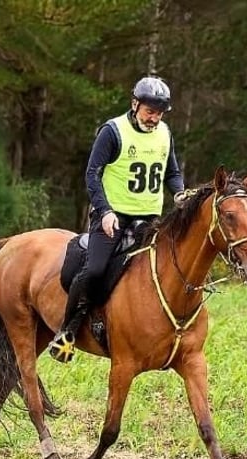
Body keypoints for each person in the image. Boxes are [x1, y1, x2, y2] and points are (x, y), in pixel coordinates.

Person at [49, 76, 185, 362]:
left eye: (159, 113)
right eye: (150, 111)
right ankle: (67, 331)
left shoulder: (165, 134)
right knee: (96, 270)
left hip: (149, 218)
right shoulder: (113, 131)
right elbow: (91, 175)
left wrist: (179, 193)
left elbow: (171, 173)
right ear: (135, 104)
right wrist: (106, 211)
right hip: (112, 216)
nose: (154, 118)